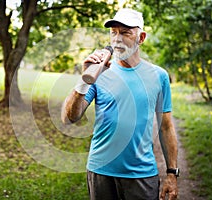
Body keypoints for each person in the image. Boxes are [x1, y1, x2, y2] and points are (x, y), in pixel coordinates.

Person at [61, 8, 179, 200]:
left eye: (125, 33)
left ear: (141, 37)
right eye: (113, 32)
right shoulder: (98, 71)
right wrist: (83, 81)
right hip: (100, 172)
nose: (117, 39)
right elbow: (68, 118)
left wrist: (172, 173)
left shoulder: (159, 76)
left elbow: (166, 127)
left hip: (142, 174)